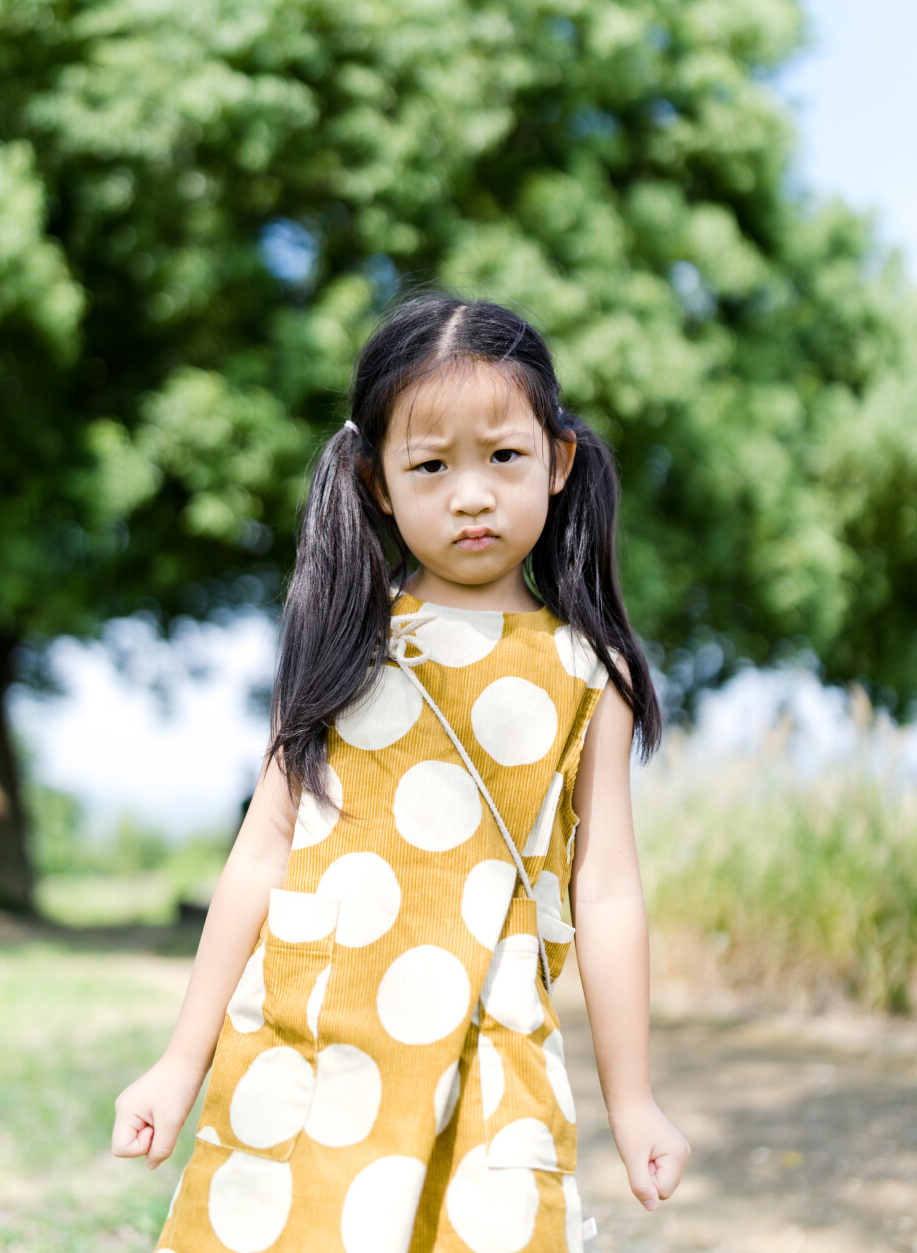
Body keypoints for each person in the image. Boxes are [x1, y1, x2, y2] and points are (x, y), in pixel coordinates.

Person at [112, 292, 691, 1252]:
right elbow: (262, 852)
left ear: (559, 460)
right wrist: (180, 1063)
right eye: (430, 465)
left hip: (490, 1056)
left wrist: (632, 1104)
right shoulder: (345, 644)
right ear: (379, 484)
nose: (471, 494)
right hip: (307, 1048)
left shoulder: (593, 670)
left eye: (503, 456)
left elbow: (610, 886)